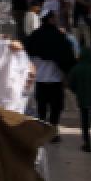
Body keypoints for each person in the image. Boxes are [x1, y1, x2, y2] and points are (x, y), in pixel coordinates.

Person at [24, 7, 77, 140]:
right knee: (55, 108)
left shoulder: (35, 36)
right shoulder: (59, 37)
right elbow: (68, 58)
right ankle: (52, 133)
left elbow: (26, 54)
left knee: (42, 108)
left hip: (40, 79)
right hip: (55, 79)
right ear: (51, 19)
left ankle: (42, 131)